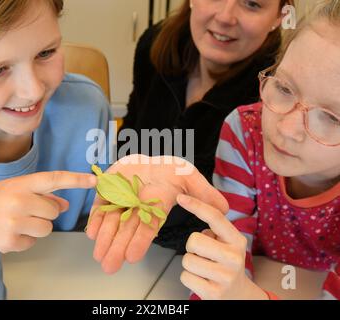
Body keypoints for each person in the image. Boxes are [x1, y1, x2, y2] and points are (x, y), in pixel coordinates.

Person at [0, 0, 226, 299]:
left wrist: (140, 198)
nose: (33, 90)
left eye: (46, 52)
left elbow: (99, 223)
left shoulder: (85, 108)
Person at [177, 0, 340, 299]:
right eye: (284, 88)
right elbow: (221, 259)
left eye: (330, 117)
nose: (286, 129)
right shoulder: (245, 131)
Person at [117, 0, 295, 253]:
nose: (225, 17)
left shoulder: (278, 95)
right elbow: (131, 139)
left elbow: (250, 223)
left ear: (280, 16)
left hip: (218, 261)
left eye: (252, 4)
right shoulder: (154, 44)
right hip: (138, 249)